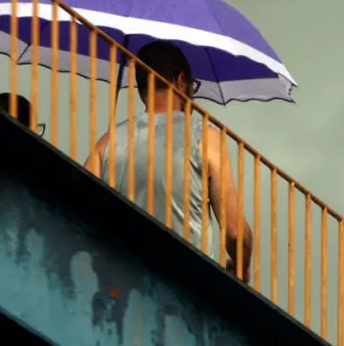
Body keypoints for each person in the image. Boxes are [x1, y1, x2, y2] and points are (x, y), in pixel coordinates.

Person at [83, 41, 254, 283]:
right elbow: (235, 233)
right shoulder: (205, 137)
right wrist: (241, 265)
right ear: (181, 80)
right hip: (189, 285)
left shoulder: (107, 143)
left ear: (142, 89)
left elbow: (81, 211)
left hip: (121, 284)